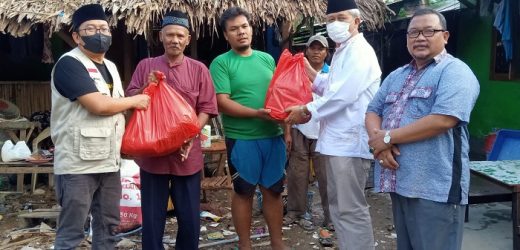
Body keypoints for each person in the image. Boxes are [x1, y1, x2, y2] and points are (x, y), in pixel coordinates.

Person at [365, 8, 479, 250]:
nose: (420, 37)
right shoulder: (397, 75)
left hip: (435, 187)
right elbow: (373, 110)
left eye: (429, 31)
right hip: (400, 182)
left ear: (445, 36)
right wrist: (381, 146)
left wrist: (386, 137)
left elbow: (444, 119)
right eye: (413, 32)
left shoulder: (455, 72)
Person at [50, 4, 150, 249]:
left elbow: (115, 107)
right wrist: (136, 100)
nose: (99, 33)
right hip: (77, 164)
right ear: (76, 36)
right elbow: (99, 105)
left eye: (104, 28)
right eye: (91, 28)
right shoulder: (69, 64)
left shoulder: (111, 67)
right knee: (72, 230)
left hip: (108, 160)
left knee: (108, 227)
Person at [285, 0, 381, 249]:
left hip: (349, 144)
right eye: (330, 19)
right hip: (336, 142)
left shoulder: (359, 52)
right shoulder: (343, 50)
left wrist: (306, 109)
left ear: (357, 21)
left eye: (341, 18)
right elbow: (334, 85)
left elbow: (343, 95)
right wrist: (311, 74)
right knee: (340, 208)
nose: (335, 24)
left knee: (350, 209)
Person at [125, 11, 218, 250]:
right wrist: (147, 86)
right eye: (169, 35)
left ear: (188, 39)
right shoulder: (146, 65)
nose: (174, 40)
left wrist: (190, 136)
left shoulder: (199, 70)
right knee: (153, 218)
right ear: (161, 37)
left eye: (180, 35)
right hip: (152, 154)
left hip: (186, 156)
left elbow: (207, 107)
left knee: (189, 218)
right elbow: (131, 100)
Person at [209, 7, 286, 250]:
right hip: (242, 138)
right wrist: (256, 114)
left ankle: (277, 242)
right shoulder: (221, 63)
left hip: (273, 136)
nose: (241, 32)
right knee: (243, 192)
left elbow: (279, 94)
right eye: (234, 29)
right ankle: (245, 245)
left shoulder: (266, 58)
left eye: (244, 26)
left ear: (251, 29)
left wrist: (288, 129)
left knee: (273, 191)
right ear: (226, 35)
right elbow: (222, 102)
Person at [283, 34, 332, 231]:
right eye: (313, 48)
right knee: (296, 173)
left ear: (326, 52)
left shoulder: (333, 74)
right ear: (306, 50)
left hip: (324, 131)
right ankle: (295, 212)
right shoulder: (297, 72)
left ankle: (330, 217)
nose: (316, 51)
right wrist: (287, 132)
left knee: (327, 176)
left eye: (321, 48)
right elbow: (287, 102)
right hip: (299, 130)